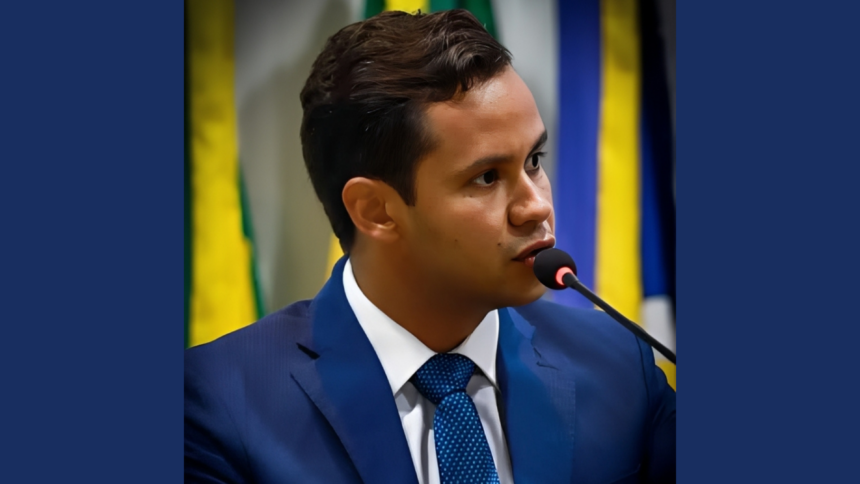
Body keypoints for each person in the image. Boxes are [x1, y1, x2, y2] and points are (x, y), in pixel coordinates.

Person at [185, 9, 675, 484]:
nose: (537, 206)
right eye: (487, 177)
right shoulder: (219, 405)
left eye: (533, 161)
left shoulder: (618, 364)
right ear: (375, 210)